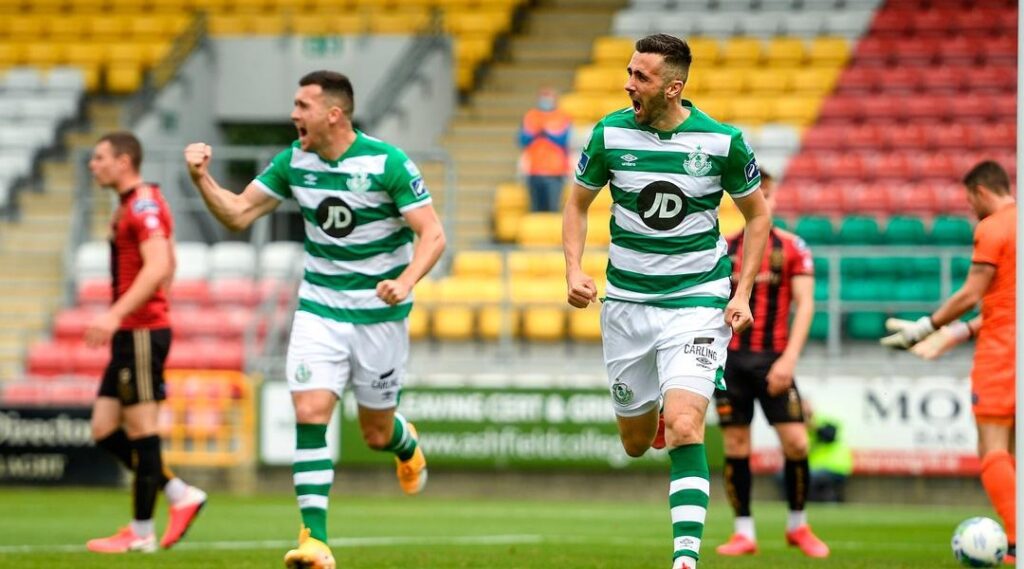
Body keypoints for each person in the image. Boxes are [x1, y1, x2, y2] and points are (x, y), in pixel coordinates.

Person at [184, 70, 445, 569]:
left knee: (375, 433)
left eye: (303, 106)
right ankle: (314, 541)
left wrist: (406, 280)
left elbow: (432, 234)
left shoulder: (387, 163)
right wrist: (202, 179)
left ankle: (404, 441)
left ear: (334, 114)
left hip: (379, 317)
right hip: (319, 310)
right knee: (309, 414)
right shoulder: (293, 162)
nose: (293, 115)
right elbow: (237, 214)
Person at [562, 34, 771, 569]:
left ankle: (684, 558)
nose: (628, 84)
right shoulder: (609, 134)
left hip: (697, 301)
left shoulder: (722, 143)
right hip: (627, 304)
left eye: (641, 76)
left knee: (684, 426)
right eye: (629, 72)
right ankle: (652, 409)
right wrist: (573, 269)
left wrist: (742, 291)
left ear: (673, 87)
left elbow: (758, 216)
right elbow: (577, 204)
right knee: (635, 443)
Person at [882, 160, 1016, 562]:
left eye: (969, 200)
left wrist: (925, 328)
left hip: (1003, 352)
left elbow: (971, 294)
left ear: (981, 191)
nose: (969, 208)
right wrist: (957, 334)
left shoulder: (993, 227)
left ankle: (1017, 540)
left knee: (992, 446)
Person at [84, 132, 207, 554]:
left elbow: (157, 266)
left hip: (139, 332)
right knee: (104, 429)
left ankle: (141, 532)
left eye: (100, 157)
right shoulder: (136, 203)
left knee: (142, 430)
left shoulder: (142, 205)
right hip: (132, 331)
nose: (93, 165)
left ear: (123, 161)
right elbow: (168, 262)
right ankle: (179, 493)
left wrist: (119, 314)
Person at [713, 171, 828, 558]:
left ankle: (798, 525)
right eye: (755, 193)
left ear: (775, 199)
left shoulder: (792, 247)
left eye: (767, 194)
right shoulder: (723, 248)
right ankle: (743, 532)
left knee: (796, 441)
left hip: (774, 360)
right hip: (730, 361)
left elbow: (806, 304)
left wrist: (789, 360)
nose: (761, 199)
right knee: (736, 443)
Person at [519, 87, 572, 212]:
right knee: (535, 210)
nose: (546, 99)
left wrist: (546, 132)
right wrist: (538, 131)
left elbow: (564, 140)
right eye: (543, 96)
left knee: (553, 210)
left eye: (549, 96)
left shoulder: (562, 117)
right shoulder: (530, 116)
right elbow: (523, 140)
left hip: (555, 172)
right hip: (534, 171)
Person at [804, 401, 852, 504]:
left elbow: (830, 435)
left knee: (806, 478)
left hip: (836, 466)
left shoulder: (824, 420)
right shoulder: (801, 429)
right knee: (784, 476)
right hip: (814, 468)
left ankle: (829, 500)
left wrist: (813, 426)